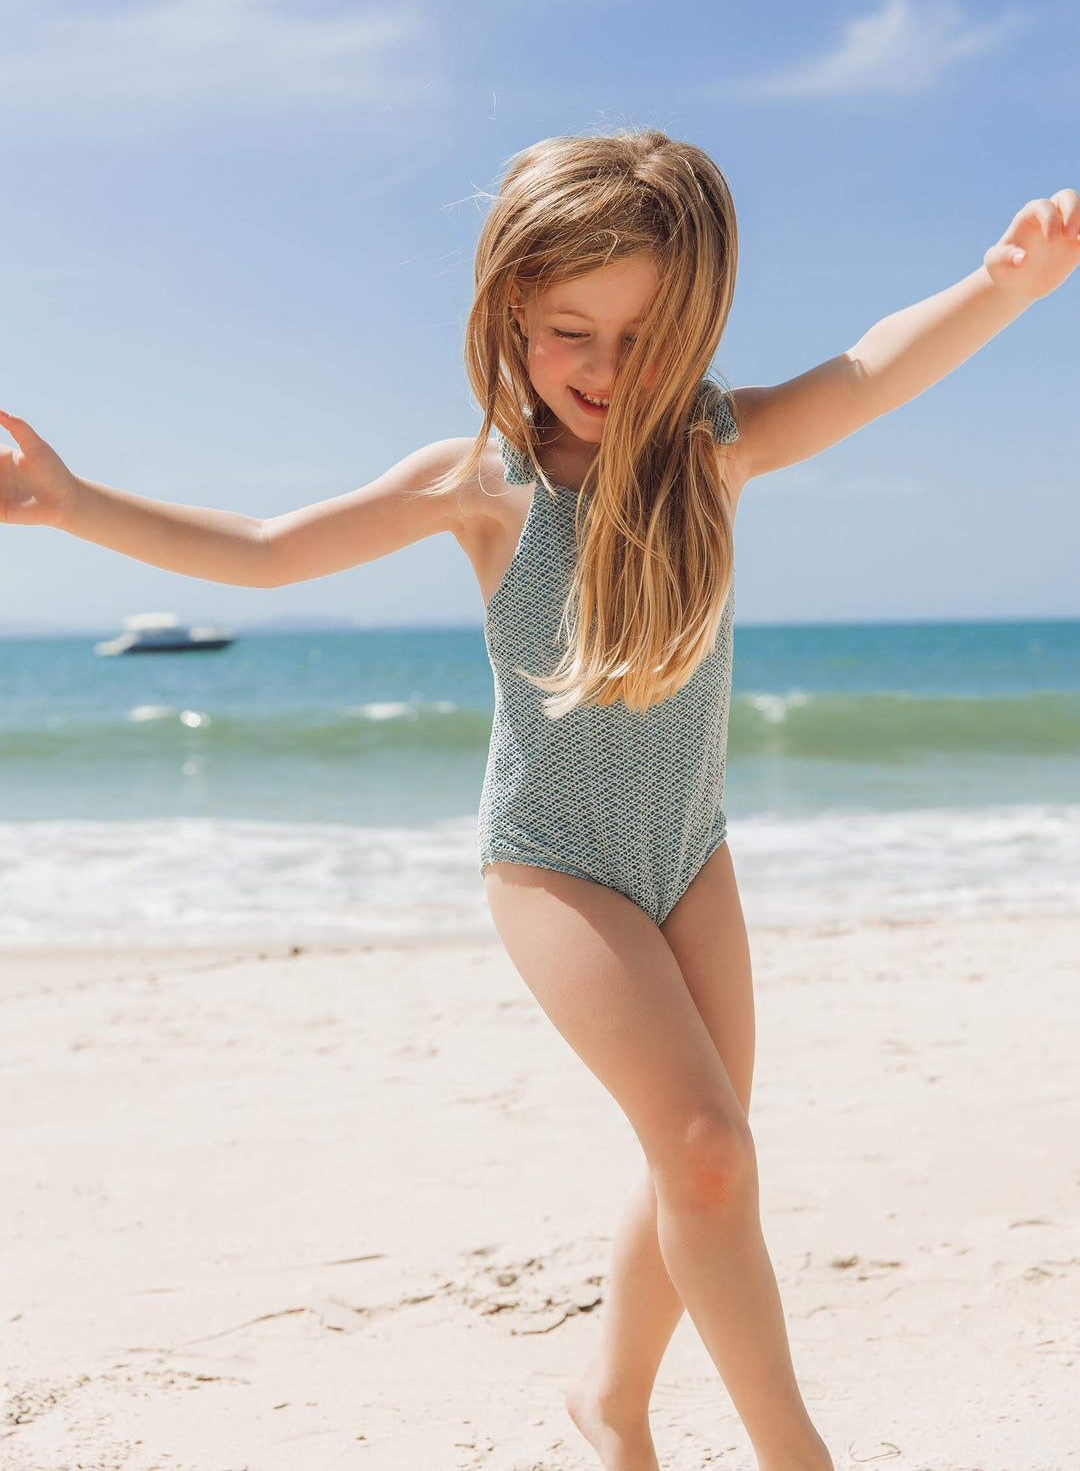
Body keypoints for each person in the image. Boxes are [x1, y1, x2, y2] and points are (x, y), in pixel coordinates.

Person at [1, 128, 1076, 1471]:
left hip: (691, 852)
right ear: (512, 304)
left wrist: (1007, 287)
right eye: (573, 330)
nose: (606, 374)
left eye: (642, 337)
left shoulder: (707, 450)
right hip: (555, 861)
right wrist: (73, 501)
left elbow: (865, 371)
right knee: (707, 1151)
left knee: (704, 1159)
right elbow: (271, 554)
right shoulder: (485, 481)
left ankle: (610, 1406)